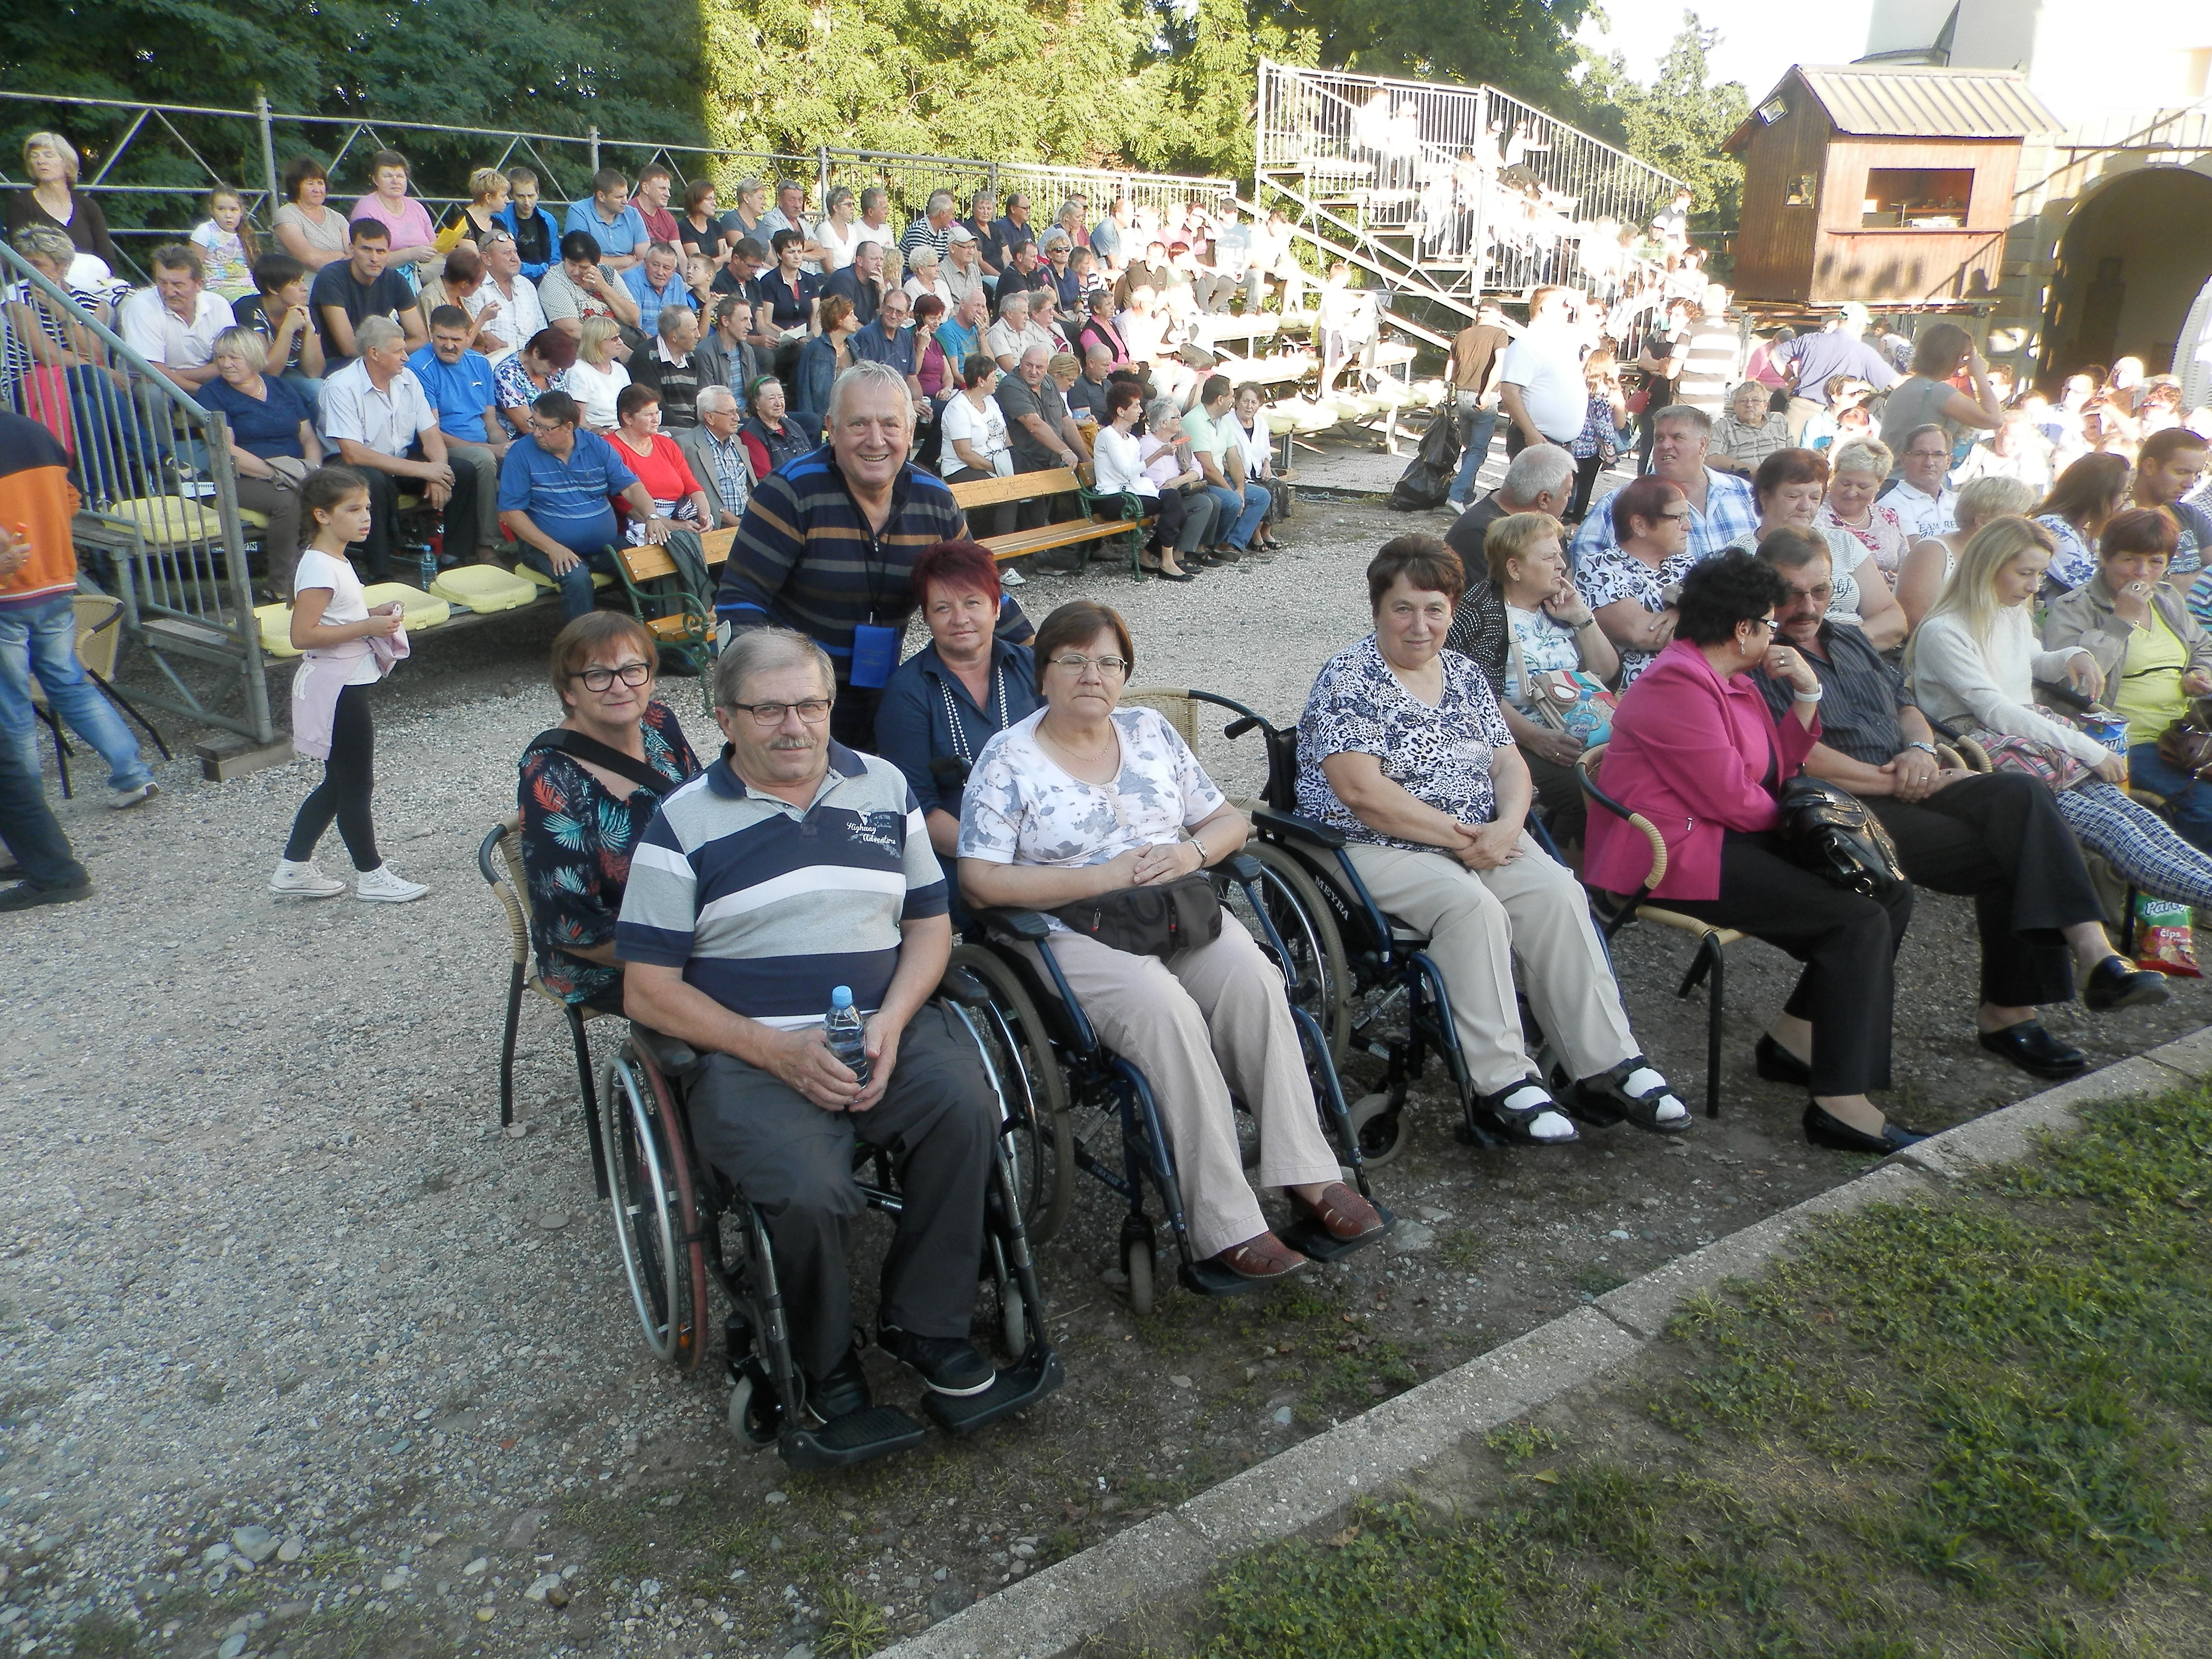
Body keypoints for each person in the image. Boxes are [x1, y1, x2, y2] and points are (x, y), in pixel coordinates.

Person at [619, 628, 1010, 1414]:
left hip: (883, 1026)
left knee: (967, 1110)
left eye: (810, 705)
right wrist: (774, 1051)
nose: (793, 726)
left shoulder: (883, 786)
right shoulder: (682, 822)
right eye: (767, 710)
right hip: (750, 1051)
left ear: (831, 706)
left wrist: (893, 1019)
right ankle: (821, 1359)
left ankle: (924, 1322)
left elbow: (929, 925)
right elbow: (647, 992)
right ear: (726, 719)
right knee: (807, 1188)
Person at [962, 600, 1382, 1276]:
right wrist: (1097, 877)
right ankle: (1224, 1220)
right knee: (1167, 1012)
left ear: (1125, 674)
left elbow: (1228, 821)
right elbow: (980, 881)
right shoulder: (1008, 758)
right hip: (1070, 926)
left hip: (1171, 908)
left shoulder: (1149, 730)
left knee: (1256, 980)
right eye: (1074, 661)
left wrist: (1191, 853)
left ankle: (1308, 1172)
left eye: (1109, 662)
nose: (1093, 675)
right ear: (1042, 674)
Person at [1298, 537, 1684, 1142]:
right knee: (1471, 907)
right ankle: (1500, 1080)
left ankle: (1606, 1064)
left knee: (1558, 891)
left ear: (1452, 611)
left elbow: (1509, 763)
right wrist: (1461, 838)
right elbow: (1361, 792)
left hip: (1481, 834)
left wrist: (1508, 826)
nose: (1420, 625)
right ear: (1378, 610)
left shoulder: (1465, 673)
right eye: (1403, 609)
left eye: (1434, 609)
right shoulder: (1350, 677)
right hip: (1372, 843)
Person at [1756, 529, 2162, 1081]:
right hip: (1841, 808)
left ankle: (2094, 955)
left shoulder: (1848, 638)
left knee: (2022, 794)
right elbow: (1796, 756)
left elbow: (1906, 707)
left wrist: (1921, 751)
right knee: (2016, 850)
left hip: (1911, 778)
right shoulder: (1763, 658)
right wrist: (1896, 782)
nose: (1807, 607)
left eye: (1820, 591)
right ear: (1763, 591)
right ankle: (2015, 1009)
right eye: (1791, 593)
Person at [1587, 551, 1920, 1152]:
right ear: (1743, 629)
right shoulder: (1676, 686)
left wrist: (1808, 695)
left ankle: (1795, 1042)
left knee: (1886, 891)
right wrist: (1802, 830)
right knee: (1856, 921)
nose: (1776, 632)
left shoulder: (1731, 680)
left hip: (1724, 836)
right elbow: (1733, 799)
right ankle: (1841, 1105)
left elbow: (1778, 769)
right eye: (1769, 621)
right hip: (1674, 856)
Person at [1909, 516, 2212, 917]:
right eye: (2025, 573)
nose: (2035, 586)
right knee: (2116, 829)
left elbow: (2034, 661)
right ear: (1987, 566)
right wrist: (2088, 749)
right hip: (1988, 748)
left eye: (2039, 574)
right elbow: (1995, 710)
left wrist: (2075, 654)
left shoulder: (2009, 610)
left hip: (2030, 736)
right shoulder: (1945, 630)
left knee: (2141, 820)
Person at [719, 360, 1029, 746]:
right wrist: (764, 698)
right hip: (798, 703)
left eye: (890, 425)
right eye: (859, 424)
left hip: (886, 689)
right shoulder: (790, 493)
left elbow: (980, 586)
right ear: (831, 428)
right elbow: (739, 602)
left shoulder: (933, 499)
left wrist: (1042, 656)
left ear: (910, 431)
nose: (876, 440)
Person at [517, 612, 702, 1009]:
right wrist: (700, 950)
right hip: (611, 957)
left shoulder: (659, 722)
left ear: (650, 678)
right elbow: (575, 929)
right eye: (598, 676)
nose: (620, 687)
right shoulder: (551, 778)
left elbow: (706, 811)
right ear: (569, 692)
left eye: (632, 670)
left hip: (694, 919)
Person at [269, 466, 428, 904]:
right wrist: (366, 625)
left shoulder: (333, 560)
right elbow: (303, 635)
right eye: (353, 510)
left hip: (345, 681)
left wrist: (371, 614)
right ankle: (372, 876)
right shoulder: (320, 566)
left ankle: (294, 867)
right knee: (356, 785)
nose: (366, 517)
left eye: (368, 508)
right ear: (322, 515)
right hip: (337, 686)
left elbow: (336, 617)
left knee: (339, 783)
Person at [0, 410, 159, 817]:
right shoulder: (35, 431)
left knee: (12, 708)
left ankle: (28, 814)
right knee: (70, 684)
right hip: (56, 581)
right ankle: (134, 775)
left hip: (7, 592)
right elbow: (72, 502)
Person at [875, 540, 1044, 910]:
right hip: (962, 853)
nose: (960, 619)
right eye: (943, 607)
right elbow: (919, 808)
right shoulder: (907, 693)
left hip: (1050, 832)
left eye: (972, 603)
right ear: (925, 616)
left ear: (996, 607)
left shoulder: (1034, 669)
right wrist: (1008, 857)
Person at [2044, 508, 2212, 853]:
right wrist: (2121, 620)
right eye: (2130, 559)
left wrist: (2199, 673)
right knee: (2205, 808)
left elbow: (2203, 646)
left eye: (2155, 561)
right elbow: (2069, 685)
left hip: (2186, 734)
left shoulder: (2166, 598)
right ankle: (2180, 877)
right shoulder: (2074, 607)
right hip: (2125, 742)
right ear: (2105, 557)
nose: (2142, 572)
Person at [1484, 513, 1617, 845]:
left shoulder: (1555, 610)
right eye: (1549, 557)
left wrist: (1582, 616)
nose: (1561, 565)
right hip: (1517, 739)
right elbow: (1481, 694)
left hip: (1579, 731)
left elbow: (1606, 672)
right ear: (1514, 568)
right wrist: (1535, 738)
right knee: (1593, 790)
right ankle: (1573, 864)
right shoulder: (1488, 615)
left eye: (1560, 554)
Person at [317, 315, 478, 581]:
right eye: (398, 351)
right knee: (373, 483)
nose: (406, 357)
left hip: (397, 460)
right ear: (374, 353)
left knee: (463, 471)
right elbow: (353, 453)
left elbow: (431, 434)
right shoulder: (341, 386)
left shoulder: (408, 380)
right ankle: (381, 573)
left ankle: (455, 558)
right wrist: (425, 471)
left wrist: (438, 472)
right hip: (345, 466)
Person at [498, 388, 672, 619]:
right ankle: (582, 640)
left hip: (603, 545)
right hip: (545, 548)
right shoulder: (521, 454)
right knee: (577, 578)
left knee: (649, 564)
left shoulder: (596, 446)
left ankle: (657, 629)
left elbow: (631, 487)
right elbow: (510, 512)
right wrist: (552, 548)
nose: (536, 433)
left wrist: (652, 517)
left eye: (545, 428)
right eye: (534, 423)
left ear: (568, 427)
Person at [1719, 448, 1907, 650]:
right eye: (1793, 496)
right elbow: (1740, 634)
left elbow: (1893, 620)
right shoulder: (1740, 556)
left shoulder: (1843, 542)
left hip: (1857, 654)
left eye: (1815, 498)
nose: (1805, 506)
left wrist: (1842, 647)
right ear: (1764, 497)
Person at [196, 328, 319, 598]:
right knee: (289, 502)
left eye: (234, 357)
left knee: (333, 494)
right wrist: (277, 474)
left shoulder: (280, 387)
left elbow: (308, 436)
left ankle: (319, 579)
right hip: (242, 478)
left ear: (252, 357)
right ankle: (281, 587)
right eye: (220, 357)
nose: (226, 364)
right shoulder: (212, 394)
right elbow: (226, 450)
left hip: (295, 471)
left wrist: (314, 472)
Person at [1571, 405, 1757, 571]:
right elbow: (1583, 563)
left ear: (1703, 444)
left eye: (1677, 438)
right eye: (1659, 438)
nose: (1665, 445)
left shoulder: (1743, 492)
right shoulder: (1621, 502)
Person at [406, 306, 505, 561]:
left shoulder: (480, 364)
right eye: (442, 338)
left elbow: (491, 422)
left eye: (456, 339)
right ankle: (487, 545)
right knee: (485, 460)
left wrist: (506, 446)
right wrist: (492, 450)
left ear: (469, 336)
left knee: (527, 454)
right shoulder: (420, 367)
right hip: (441, 447)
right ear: (431, 334)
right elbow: (432, 432)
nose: (449, 346)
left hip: (481, 443)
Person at [1895, 475, 2035, 631]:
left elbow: (2024, 621)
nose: (2026, 525)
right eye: (2018, 519)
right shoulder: (1933, 552)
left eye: (2028, 517)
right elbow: (1917, 620)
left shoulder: (2015, 557)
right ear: (1983, 522)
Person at [1091, 380, 1191, 581]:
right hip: (1111, 498)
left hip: (1129, 493)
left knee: (1176, 506)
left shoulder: (1131, 439)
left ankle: (1151, 556)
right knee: (1172, 503)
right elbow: (1128, 472)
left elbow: (1134, 477)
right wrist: (1160, 453)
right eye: (1136, 406)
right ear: (1121, 411)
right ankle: (1166, 562)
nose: (1140, 410)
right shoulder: (1107, 436)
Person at [607, 384, 714, 552]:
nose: (656, 420)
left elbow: (693, 487)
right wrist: (676, 526)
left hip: (680, 517)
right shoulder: (610, 449)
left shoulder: (667, 444)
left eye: (657, 413)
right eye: (648, 415)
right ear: (627, 419)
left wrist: (705, 516)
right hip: (640, 527)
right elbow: (627, 508)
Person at [1877, 322, 2002, 463]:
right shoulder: (1935, 392)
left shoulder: (1908, 387)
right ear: (1950, 357)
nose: (1965, 364)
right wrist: (1979, 375)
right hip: (1916, 474)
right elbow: (1995, 421)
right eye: (1963, 357)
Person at [118, 243, 235, 392]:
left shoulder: (219, 305)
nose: (169, 292)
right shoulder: (142, 305)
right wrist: (204, 394)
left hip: (190, 380)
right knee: (154, 393)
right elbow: (152, 372)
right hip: (152, 384)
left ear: (199, 284)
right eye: (162, 283)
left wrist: (174, 374)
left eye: (178, 285)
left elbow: (232, 360)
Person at [308, 219, 423, 368]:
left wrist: (388, 353)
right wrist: (389, 352)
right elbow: (348, 347)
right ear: (352, 249)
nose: (375, 259)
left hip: (377, 357)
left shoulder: (395, 280)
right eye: (366, 250)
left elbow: (421, 339)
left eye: (381, 251)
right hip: (335, 362)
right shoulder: (331, 277)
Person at [1774, 304, 1898, 442]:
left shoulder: (1811, 339)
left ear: (1840, 321)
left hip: (1799, 412)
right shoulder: (1864, 352)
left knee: (1788, 454)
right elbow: (1896, 384)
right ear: (1860, 326)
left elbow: (1775, 355)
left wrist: (1790, 379)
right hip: (1835, 421)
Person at [1445, 443, 1574, 570]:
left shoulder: (1548, 523)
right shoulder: (1478, 536)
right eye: (1567, 492)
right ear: (1544, 499)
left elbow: (1567, 574)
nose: (1570, 495)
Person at [997, 345, 1084, 530]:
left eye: (1039, 367)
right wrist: (1065, 451)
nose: (1034, 371)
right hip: (1028, 466)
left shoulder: (1049, 382)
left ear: (1047, 368)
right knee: (1036, 525)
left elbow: (1066, 422)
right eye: (1029, 365)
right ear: (1021, 363)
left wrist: (1086, 458)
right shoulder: (1011, 386)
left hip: (1054, 463)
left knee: (1079, 505)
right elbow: (1034, 426)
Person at [6, 132, 121, 272]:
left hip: (89, 281)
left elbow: (108, 259)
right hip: (44, 282)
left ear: (67, 163)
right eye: (34, 156)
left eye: (49, 155)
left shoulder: (88, 206)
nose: (41, 161)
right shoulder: (20, 204)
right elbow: (23, 257)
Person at [1182, 375, 1268, 564]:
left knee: (1262, 496)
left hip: (1220, 478)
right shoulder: (1195, 421)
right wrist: (1233, 493)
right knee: (1232, 501)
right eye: (1231, 395)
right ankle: (1208, 544)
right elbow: (1207, 468)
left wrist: (1241, 489)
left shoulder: (1223, 420)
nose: (1233, 400)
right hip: (1201, 482)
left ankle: (1232, 544)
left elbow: (1234, 458)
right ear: (1220, 399)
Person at [1497, 286, 1586, 457]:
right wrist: (1531, 433)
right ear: (1546, 309)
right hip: (1537, 440)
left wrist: (1579, 301)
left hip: (1561, 444)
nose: (1570, 309)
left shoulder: (1565, 339)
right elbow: (1508, 392)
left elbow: (1587, 324)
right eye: (1564, 304)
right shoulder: (1526, 344)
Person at [938, 354, 1017, 538]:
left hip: (996, 463)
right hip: (962, 467)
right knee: (1006, 493)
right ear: (981, 381)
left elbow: (1006, 438)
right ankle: (1000, 552)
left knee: (1025, 486)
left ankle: (1026, 545)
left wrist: (1013, 461)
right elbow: (964, 453)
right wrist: (997, 468)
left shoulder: (991, 401)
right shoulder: (958, 407)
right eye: (993, 376)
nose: (997, 380)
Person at [1443, 301, 1510, 512]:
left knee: (1470, 448)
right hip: (1483, 396)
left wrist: (1451, 391)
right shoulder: (1499, 334)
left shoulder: (1462, 335)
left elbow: (1450, 368)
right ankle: (1455, 496)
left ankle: (1466, 495)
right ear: (1498, 314)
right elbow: (1500, 364)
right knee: (1479, 451)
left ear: (1478, 315)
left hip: (1462, 394)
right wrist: (1487, 392)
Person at [2032, 452, 2132, 594]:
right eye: (2123, 492)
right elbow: (2095, 589)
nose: (2126, 500)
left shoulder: (2085, 532)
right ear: (2101, 496)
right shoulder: (2052, 529)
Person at [1817, 438, 1912, 585]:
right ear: (1833, 477)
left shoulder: (1888, 518)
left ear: (1879, 485)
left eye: (1863, 487)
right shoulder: (1813, 513)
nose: (1851, 493)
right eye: (1845, 483)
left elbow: (1905, 567)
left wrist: (1898, 582)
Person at [349, 151, 440, 287]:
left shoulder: (417, 207)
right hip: (384, 280)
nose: (395, 181)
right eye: (388, 176)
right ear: (375, 180)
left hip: (426, 274)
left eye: (400, 176)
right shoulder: (366, 208)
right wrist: (411, 254)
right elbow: (367, 257)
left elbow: (434, 243)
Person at [539, 230, 641, 340]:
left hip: (623, 337)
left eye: (583, 267)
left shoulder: (607, 273)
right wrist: (612, 342)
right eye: (572, 264)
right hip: (591, 344)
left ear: (595, 265)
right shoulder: (554, 279)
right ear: (564, 259)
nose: (576, 272)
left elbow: (633, 319)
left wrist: (603, 287)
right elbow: (572, 330)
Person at [466, 228, 547, 362]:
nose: (515, 259)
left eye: (515, 252)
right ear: (487, 258)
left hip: (533, 363)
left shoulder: (527, 285)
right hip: (496, 363)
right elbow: (484, 339)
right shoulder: (476, 289)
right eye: (507, 253)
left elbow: (542, 332)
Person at [1565, 349, 1626, 524]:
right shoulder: (1611, 393)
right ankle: (1576, 523)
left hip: (1571, 441)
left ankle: (1558, 514)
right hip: (1594, 447)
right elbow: (1619, 424)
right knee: (1585, 486)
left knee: (1566, 483)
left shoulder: (1578, 387)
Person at [677, 385, 750, 528]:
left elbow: (750, 487)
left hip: (748, 520)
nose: (737, 418)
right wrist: (741, 525)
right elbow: (695, 496)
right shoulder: (686, 446)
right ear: (710, 417)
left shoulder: (737, 441)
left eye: (736, 411)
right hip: (717, 526)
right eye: (730, 413)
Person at [630, 303, 707, 431]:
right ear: (674, 336)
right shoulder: (646, 357)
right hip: (664, 429)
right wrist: (692, 433)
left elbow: (701, 401)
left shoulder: (693, 358)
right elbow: (656, 407)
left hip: (692, 430)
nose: (698, 335)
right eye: (693, 330)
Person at [492, 327, 578, 439]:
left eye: (559, 368)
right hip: (523, 439)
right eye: (552, 366)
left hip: (558, 435)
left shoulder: (553, 371)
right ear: (536, 353)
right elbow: (528, 427)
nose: (555, 373)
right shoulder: (507, 374)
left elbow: (569, 412)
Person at [563, 169, 649, 274]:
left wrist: (619, 274)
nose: (626, 201)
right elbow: (581, 259)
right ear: (601, 197)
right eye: (619, 197)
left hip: (628, 278)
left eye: (626, 195)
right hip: (588, 277)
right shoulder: (579, 212)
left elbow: (647, 259)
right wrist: (628, 261)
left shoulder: (633, 215)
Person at [272, 156, 348, 272]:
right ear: (296, 187)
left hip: (338, 280)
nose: (317, 189)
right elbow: (311, 259)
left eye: (320, 183)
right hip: (302, 283)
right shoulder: (286, 215)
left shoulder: (338, 218)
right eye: (310, 184)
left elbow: (355, 253)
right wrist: (342, 257)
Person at [1882, 423, 1958, 540]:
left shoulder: (1959, 501)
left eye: (1938, 455)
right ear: (1904, 460)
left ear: (1949, 461)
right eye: (1920, 454)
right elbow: (1915, 548)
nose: (1929, 463)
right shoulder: (1891, 504)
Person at [795, 292, 861, 422]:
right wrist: (810, 422)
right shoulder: (814, 349)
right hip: (823, 420)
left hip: (849, 418)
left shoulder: (853, 348)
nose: (856, 319)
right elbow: (804, 391)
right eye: (851, 315)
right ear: (838, 319)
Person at [736, 375, 818, 480]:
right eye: (771, 398)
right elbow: (766, 481)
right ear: (756, 404)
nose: (779, 403)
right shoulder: (750, 434)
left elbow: (812, 461)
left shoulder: (793, 426)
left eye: (781, 397)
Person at [1708, 380, 1791, 478]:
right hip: (1743, 479)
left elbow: (1793, 452)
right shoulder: (1724, 426)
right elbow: (1711, 459)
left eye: (1755, 400)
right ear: (1735, 406)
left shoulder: (1778, 420)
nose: (1749, 405)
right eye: (1743, 401)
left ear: (1765, 405)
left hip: (1782, 478)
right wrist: (1754, 472)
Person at [564, 315, 632, 433]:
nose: (621, 342)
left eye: (619, 337)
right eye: (614, 338)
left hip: (627, 431)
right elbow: (579, 422)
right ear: (597, 341)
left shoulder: (620, 369)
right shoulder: (578, 371)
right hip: (600, 435)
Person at [492, 168, 562, 281]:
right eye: (521, 196)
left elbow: (556, 257)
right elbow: (506, 261)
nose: (527, 202)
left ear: (538, 194)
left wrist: (552, 270)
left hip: (547, 278)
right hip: (514, 279)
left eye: (531, 196)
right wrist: (543, 269)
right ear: (512, 195)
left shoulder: (549, 220)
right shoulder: (500, 220)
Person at [190, 187, 259, 300]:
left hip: (249, 287)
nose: (228, 215)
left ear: (241, 211)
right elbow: (194, 266)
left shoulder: (246, 234)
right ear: (212, 210)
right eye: (221, 209)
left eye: (234, 210)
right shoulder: (205, 231)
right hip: (216, 287)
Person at [620, 241, 692, 338]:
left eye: (666, 268)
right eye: (656, 265)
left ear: (673, 271)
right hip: (642, 343)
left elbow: (684, 321)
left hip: (672, 343)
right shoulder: (632, 279)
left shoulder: (677, 280)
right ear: (645, 264)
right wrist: (660, 346)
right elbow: (635, 328)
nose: (660, 272)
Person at [435, 167, 511, 255]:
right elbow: (473, 258)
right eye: (503, 196)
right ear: (488, 198)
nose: (508, 201)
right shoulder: (463, 221)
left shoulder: (499, 223)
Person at [820, 240, 885, 329]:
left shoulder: (875, 281)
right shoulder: (843, 279)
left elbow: (882, 316)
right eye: (874, 259)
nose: (879, 264)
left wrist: (882, 291)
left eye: (882, 259)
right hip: (839, 331)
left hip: (861, 331)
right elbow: (846, 320)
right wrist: (870, 335)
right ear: (860, 261)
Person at [679, 179, 730, 263]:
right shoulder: (684, 227)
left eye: (714, 199)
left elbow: (722, 263)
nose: (714, 204)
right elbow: (699, 263)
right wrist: (726, 257)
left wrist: (723, 259)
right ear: (695, 202)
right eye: (709, 199)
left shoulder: (716, 226)